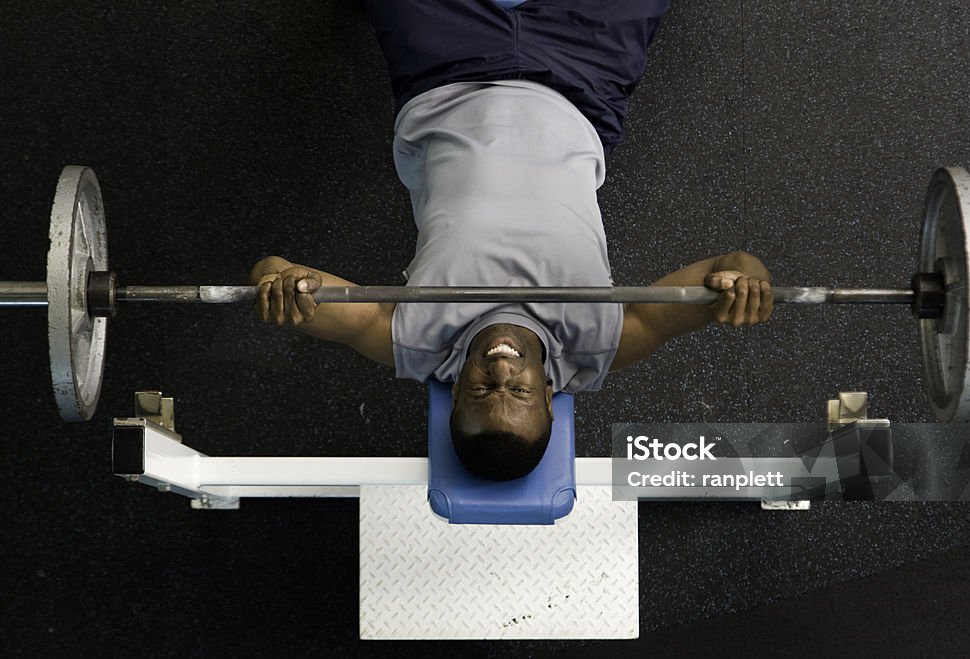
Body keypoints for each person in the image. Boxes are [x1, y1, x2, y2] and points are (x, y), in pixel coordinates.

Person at [250, 0, 773, 481]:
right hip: (581, 83)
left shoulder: (412, 339)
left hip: (444, 73)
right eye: (518, 390)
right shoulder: (599, 343)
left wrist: (283, 286)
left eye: (482, 389)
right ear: (549, 394)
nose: (502, 367)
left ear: (454, 392)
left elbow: (273, 272)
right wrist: (750, 281)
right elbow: (731, 265)